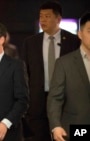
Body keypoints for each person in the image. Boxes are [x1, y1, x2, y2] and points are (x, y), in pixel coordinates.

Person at [20, 1, 81, 141]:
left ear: (58, 19)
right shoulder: (30, 42)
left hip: (66, 100)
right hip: (37, 103)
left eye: (47, 16)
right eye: (41, 16)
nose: (42, 20)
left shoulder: (73, 41)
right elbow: (25, 73)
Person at [47, 12, 90, 141]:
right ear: (80, 34)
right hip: (76, 129)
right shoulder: (64, 63)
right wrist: (56, 126)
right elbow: (55, 98)